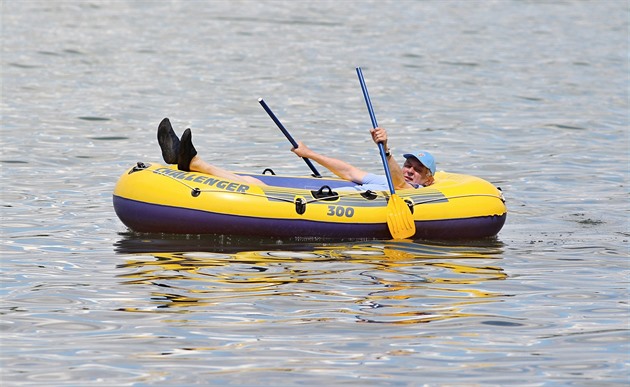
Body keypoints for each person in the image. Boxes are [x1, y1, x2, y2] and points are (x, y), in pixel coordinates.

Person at [157, 117, 436, 190]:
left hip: (339, 207)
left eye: (417, 169)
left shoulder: (415, 192)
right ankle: (186, 160)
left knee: (258, 187)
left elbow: (399, 184)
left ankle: (191, 161)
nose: (410, 169)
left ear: (428, 178)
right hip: (339, 198)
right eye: (407, 163)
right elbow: (349, 171)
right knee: (248, 179)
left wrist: (386, 149)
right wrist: (309, 153)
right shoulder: (384, 179)